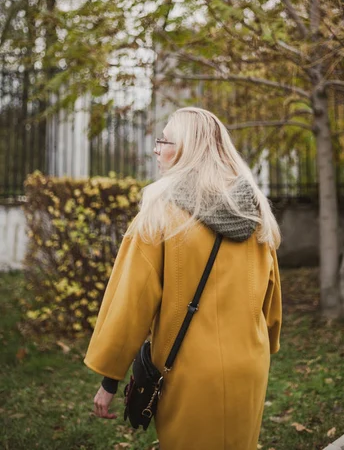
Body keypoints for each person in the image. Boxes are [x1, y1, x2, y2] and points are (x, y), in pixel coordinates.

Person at [84, 107, 282, 450]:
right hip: (249, 366)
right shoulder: (254, 213)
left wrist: (110, 378)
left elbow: (131, 300)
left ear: (188, 149)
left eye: (165, 140)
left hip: (187, 373)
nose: (157, 148)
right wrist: (269, 341)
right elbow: (271, 298)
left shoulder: (160, 213)